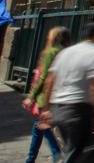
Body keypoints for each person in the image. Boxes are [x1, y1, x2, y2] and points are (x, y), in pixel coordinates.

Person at [38, 20, 94, 163]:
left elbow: (49, 81)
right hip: (78, 111)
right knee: (76, 152)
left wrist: (47, 108)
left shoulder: (66, 52)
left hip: (59, 108)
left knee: (90, 153)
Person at [22, 26, 69, 163]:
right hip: (59, 94)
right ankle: (31, 159)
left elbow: (44, 78)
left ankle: (56, 154)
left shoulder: (50, 52)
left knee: (42, 125)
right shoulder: (65, 52)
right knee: (39, 128)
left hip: (46, 96)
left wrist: (31, 96)